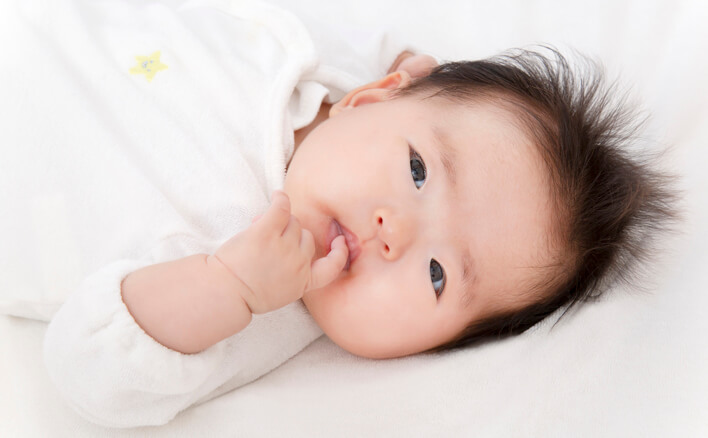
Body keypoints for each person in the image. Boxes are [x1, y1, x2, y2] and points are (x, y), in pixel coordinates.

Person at [0, 0, 677, 429]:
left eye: (438, 275)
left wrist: (224, 286)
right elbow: (394, 57)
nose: (396, 234)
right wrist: (405, 65)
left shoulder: (252, 315)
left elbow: (88, 372)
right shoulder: (316, 70)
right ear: (372, 98)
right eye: (418, 171)